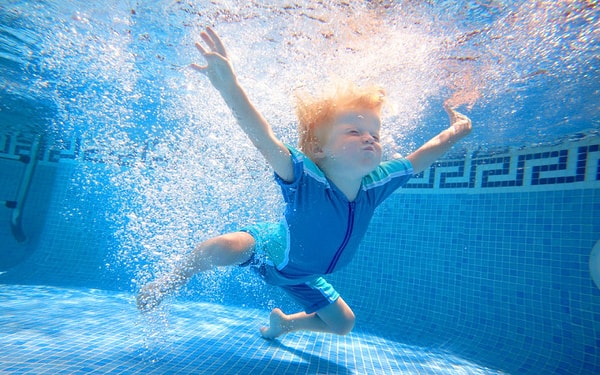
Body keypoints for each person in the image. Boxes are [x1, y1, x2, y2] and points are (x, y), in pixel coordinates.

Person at [136, 26, 472, 340]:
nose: (370, 139)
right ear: (318, 149)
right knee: (221, 247)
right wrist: (229, 87)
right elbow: (263, 138)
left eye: (375, 133)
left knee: (343, 324)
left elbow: (422, 156)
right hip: (268, 252)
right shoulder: (306, 178)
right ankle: (168, 283)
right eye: (355, 132)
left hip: (303, 275)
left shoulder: (376, 184)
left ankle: (284, 324)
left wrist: (457, 131)